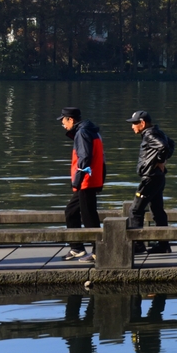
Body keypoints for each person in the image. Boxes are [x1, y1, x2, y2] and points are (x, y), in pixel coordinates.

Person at [58, 107, 105, 264]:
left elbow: (84, 157)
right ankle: (77, 248)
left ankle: (98, 251)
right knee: (71, 212)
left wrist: (77, 180)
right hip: (91, 178)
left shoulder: (83, 132)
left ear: (70, 119)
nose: (62, 124)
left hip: (86, 180)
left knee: (88, 216)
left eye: (63, 121)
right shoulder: (91, 130)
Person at [125, 110, 176, 255]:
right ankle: (163, 245)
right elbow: (171, 143)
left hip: (151, 178)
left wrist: (160, 161)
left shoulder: (150, 134)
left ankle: (138, 245)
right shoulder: (156, 132)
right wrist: (162, 161)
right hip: (157, 177)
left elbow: (165, 147)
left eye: (135, 123)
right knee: (157, 210)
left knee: (135, 210)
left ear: (142, 123)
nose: (132, 126)